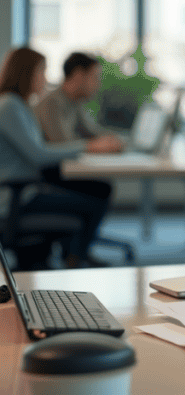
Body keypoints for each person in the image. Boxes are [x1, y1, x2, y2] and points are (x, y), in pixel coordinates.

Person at [0, 47, 122, 268]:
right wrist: (88, 147)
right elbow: (38, 154)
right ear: (26, 74)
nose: (45, 79)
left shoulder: (19, 105)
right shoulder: (10, 106)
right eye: (42, 72)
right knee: (91, 201)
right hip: (14, 197)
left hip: (26, 189)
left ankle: (71, 257)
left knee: (96, 193)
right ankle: (74, 259)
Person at [33, 52, 124, 228]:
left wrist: (117, 140)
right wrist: (94, 146)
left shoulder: (74, 102)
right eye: (95, 77)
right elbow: (61, 145)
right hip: (48, 174)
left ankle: (75, 251)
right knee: (101, 190)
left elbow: (93, 132)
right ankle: (75, 253)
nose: (98, 84)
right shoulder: (52, 103)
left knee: (102, 187)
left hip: (61, 169)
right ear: (79, 75)